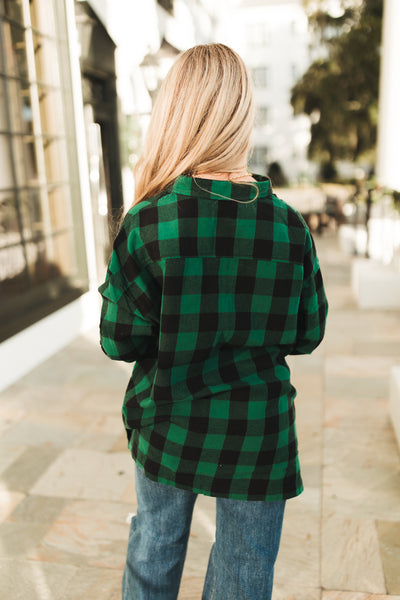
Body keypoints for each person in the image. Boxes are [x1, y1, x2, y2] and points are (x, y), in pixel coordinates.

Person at [99, 43, 328, 600]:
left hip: (168, 423)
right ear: (241, 115)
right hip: (257, 435)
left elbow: (117, 339)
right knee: (246, 570)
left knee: (154, 543)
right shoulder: (288, 227)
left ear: (176, 113)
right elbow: (307, 332)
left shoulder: (148, 224)